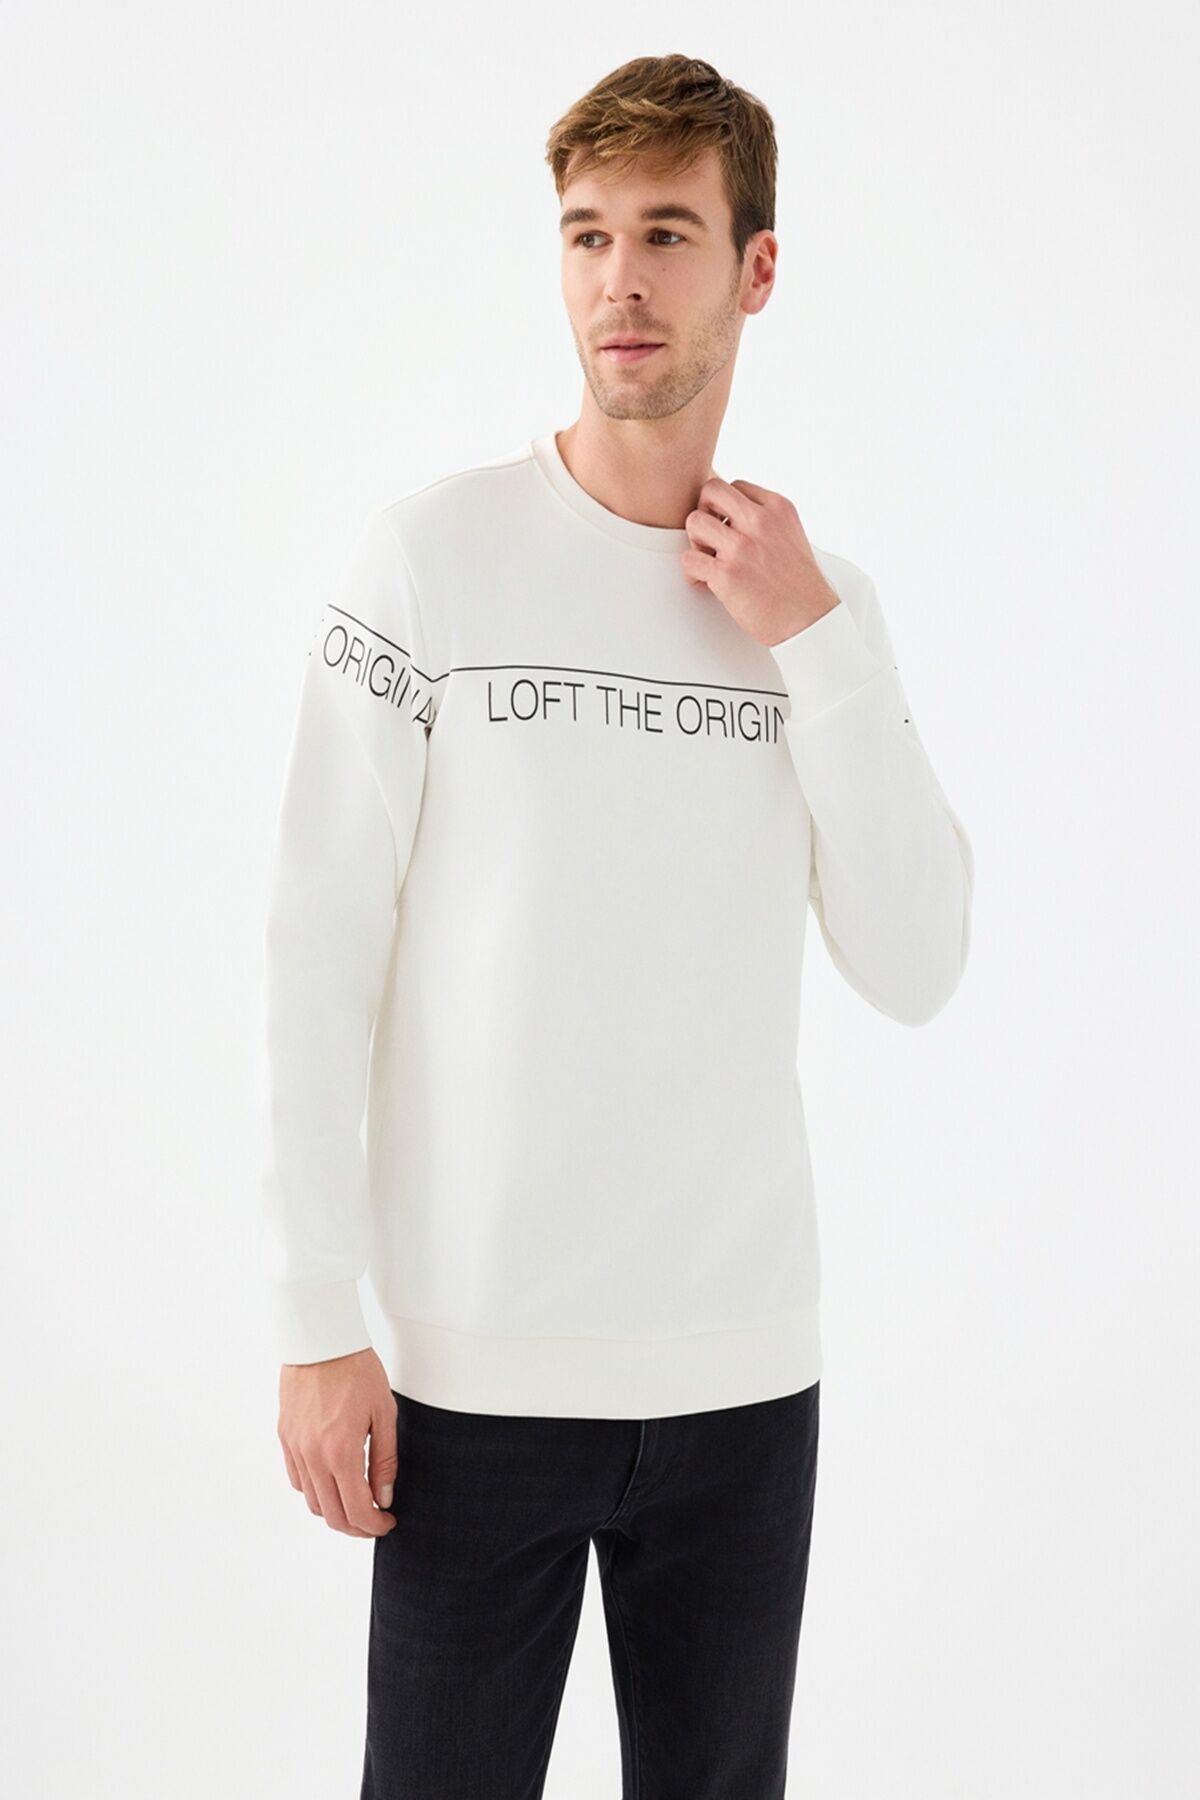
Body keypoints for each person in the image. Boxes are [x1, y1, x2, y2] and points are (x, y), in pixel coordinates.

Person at [257, 51, 974, 1800]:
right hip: (473, 1384)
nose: (620, 282)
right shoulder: (429, 562)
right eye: (587, 235)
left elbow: (918, 961)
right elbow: (316, 949)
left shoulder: (819, 608)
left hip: (744, 1383)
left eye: (666, 233)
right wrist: (314, 1318)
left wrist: (816, 643)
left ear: (757, 268)